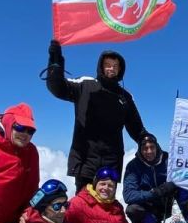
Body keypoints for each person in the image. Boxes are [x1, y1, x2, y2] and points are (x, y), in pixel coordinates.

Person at [42, 42, 145, 190]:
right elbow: (58, 88)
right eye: (108, 64)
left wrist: (151, 145)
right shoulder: (85, 85)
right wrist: (55, 58)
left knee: (106, 207)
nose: (112, 68)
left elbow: (137, 129)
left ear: (120, 70)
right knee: (83, 206)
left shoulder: (125, 97)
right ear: (101, 66)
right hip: (86, 160)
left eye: (116, 66)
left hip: (112, 161)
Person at [123, 131, 188, 223]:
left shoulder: (170, 160)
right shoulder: (133, 166)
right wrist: (156, 192)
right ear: (140, 150)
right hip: (151, 207)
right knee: (133, 210)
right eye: (145, 148)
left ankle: (180, 221)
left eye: (152, 147)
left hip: (171, 203)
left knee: (184, 189)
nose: (149, 151)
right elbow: (128, 195)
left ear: (157, 146)